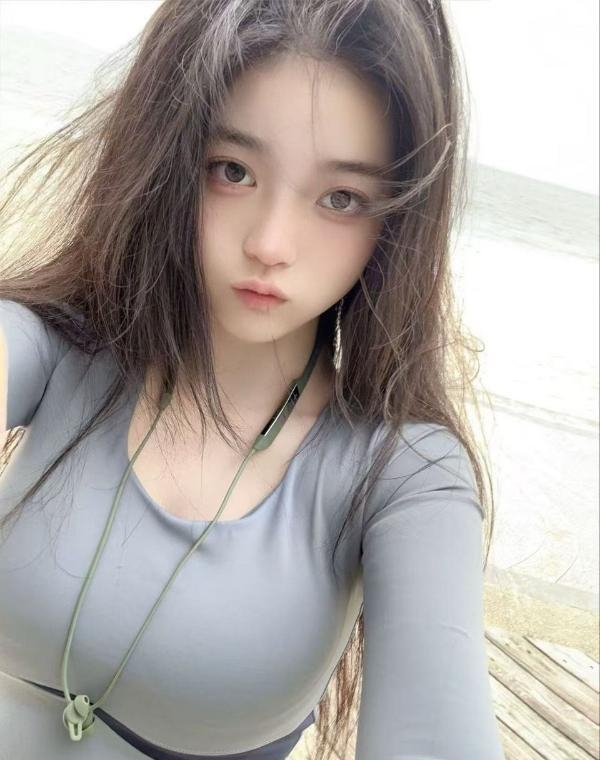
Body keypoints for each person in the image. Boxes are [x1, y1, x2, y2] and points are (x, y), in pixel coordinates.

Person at [0, 1, 507, 758]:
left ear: (396, 224)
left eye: (341, 198)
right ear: (167, 162)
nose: (270, 244)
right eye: (232, 171)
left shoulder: (403, 478)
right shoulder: (61, 346)